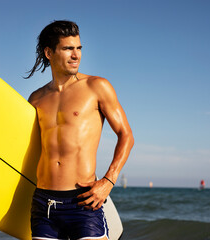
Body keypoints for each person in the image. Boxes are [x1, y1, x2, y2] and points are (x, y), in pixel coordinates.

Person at [26, 20, 134, 240]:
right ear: (49, 52)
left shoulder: (96, 87)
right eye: (68, 48)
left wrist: (108, 181)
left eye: (79, 48)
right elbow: (26, 153)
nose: (76, 55)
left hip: (83, 201)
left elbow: (126, 135)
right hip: (43, 202)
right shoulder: (36, 99)